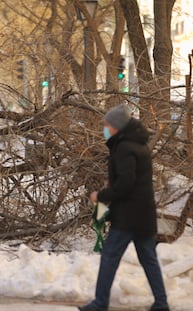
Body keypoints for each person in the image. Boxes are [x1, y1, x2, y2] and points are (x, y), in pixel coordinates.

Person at [78, 104, 169, 311]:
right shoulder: (137, 144)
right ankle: (161, 302)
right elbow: (130, 181)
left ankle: (100, 303)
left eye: (107, 125)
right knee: (148, 259)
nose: (105, 128)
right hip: (142, 213)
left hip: (129, 216)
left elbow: (125, 185)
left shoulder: (125, 148)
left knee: (109, 256)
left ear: (117, 127)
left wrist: (99, 196)